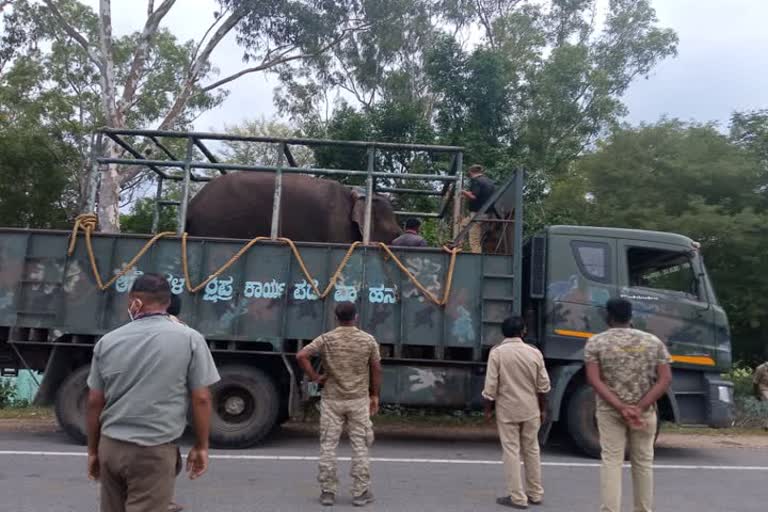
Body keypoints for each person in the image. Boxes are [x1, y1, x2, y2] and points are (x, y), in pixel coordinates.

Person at [86, 273, 220, 512]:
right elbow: (201, 398)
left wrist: (93, 451)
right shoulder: (190, 339)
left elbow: (95, 400)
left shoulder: (107, 342)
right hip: (154, 449)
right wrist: (201, 446)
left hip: (110, 447)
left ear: (134, 302)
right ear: (168, 302)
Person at [584, 298, 672, 512]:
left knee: (612, 461)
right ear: (631, 316)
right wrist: (639, 407)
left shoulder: (596, 342)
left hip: (609, 411)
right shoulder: (653, 342)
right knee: (643, 463)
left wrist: (620, 406)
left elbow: (594, 380)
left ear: (608, 316)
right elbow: (664, 379)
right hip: (645, 412)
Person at [296, 303, 382, 507]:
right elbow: (377, 368)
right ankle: (360, 493)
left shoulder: (326, 339)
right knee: (360, 446)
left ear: (336, 317)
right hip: (358, 400)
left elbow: (301, 356)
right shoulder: (367, 340)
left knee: (328, 446)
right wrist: (375, 395)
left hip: (332, 400)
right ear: (356, 317)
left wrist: (315, 377)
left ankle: (327, 492)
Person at [482, 316, 551, 509]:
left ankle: (517, 498)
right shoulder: (534, 353)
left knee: (511, 452)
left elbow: (490, 387)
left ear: (503, 333)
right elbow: (543, 386)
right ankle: (535, 494)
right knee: (532, 450)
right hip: (531, 410)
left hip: (507, 410)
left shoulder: (497, 353)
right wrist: (543, 409)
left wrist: (488, 411)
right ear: (523, 332)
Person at [461, 164, 496, 254]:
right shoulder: (489, 181)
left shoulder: (476, 181)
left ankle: (476, 255)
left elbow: (473, 196)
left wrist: (463, 192)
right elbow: (481, 194)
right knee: (463, 223)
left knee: (474, 238)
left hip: (478, 214)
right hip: (488, 214)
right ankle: (459, 243)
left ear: (470, 172)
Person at [753, 359, 768, 430]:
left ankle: (766, 425)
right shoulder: (760, 368)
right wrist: (756, 394)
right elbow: (755, 382)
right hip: (763, 388)